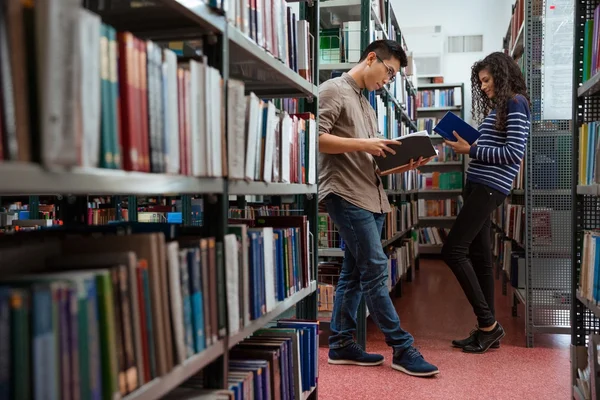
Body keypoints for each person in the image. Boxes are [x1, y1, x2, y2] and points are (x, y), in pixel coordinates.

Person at [318, 39, 439, 377]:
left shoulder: (368, 106)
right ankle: (402, 347)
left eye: (393, 77)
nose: (387, 81)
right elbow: (316, 137)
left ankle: (341, 343)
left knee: (354, 273)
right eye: (388, 72)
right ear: (371, 59)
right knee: (374, 269)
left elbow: (368, 158)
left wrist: (400, 165)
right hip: (345, 193)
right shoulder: (333, 90)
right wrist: (365, 144)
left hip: (370, 194)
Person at [442, 51, 531, 354]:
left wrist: (472, 150)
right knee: (480, 256)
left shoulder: (517, 103)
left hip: (490, 187)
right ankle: (486, 329)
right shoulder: (501, 108)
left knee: (452, 250)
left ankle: (489, 324)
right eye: (479, 82)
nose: (482, 87)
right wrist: (469, 144)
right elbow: (489, 146)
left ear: (501, 75)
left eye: (486, 80)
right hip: (478, 185)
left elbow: (512, 155)